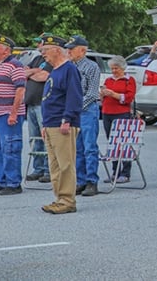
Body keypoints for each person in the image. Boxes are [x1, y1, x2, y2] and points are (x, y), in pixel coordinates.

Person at [38, 34, 83, 215]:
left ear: (57, 50)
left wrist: (67, 119)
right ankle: (59, 198)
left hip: (62, 123)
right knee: (54, 165)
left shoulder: (69, 69)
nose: (43, 55)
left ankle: (67, 200)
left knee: (65, 164)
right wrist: (44, 124)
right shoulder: (55, 70)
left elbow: (74, 97)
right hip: (50, 123)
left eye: (46, 51)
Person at [0, 35, 27, 195]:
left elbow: (20, 90)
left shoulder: (15, 65)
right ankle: (2, 181)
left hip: (7, 114)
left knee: (10, 148)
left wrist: (13, 112)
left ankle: (14, 182)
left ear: (7, 50)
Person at [66, 35, 101, 197]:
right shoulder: (69, 66)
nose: (68, 51)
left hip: (87, 111)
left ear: (82, 50)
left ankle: (91, 181)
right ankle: (80, 181)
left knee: (89, 147)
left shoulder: (91, 66)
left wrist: (75, 107)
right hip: (74, 112)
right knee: (77, 148)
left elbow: (92, 93)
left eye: (71, 49)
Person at [101, 55, 137, 184]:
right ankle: (115, 171)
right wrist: (103, 93)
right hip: (107, 113)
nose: (114, 71)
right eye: (112, 68)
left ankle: (126, 172)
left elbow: (129, 97)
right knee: (112, 143)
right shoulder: (109, 80)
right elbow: (103, 97)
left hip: (121, 113)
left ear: (122, 68)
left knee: (124, 143)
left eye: (116, 68)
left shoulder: (129, 80)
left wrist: (114, 95)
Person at [24, 35, 53, 183]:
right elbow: (23, 72)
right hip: (31, 103)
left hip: (43, 104)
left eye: (40, 43)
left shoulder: (51, 61)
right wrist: (33, 72)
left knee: (46, 137)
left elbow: (44, 77)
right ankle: (38, 168)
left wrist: (32, 74)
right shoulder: (36, 59)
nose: (38, 45)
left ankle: (49, 170)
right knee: (34, 138)